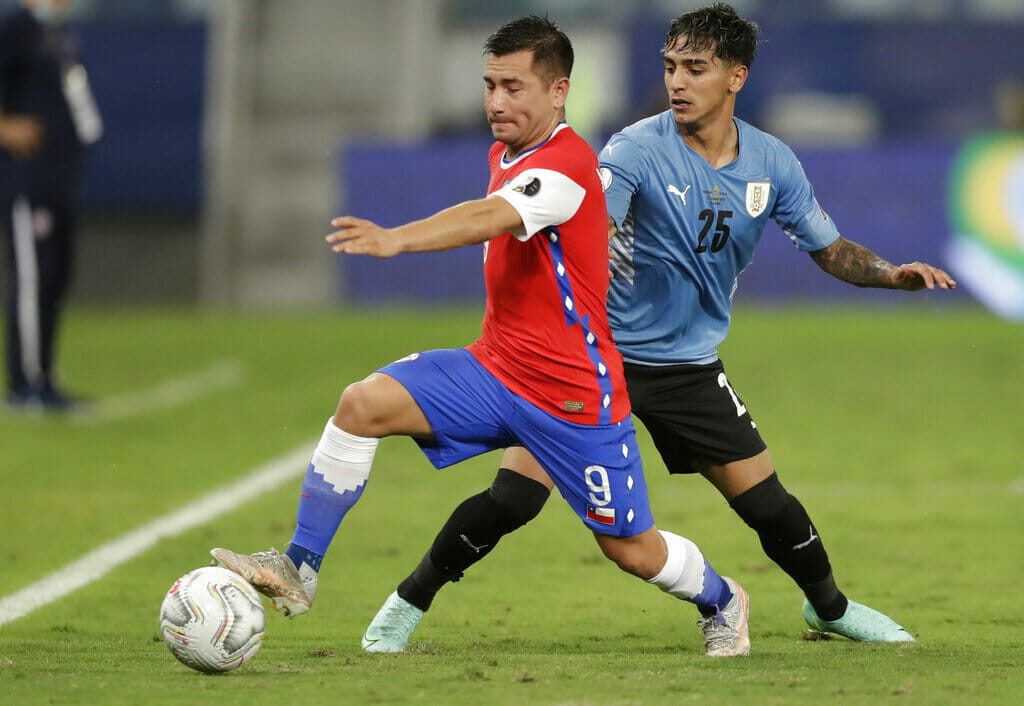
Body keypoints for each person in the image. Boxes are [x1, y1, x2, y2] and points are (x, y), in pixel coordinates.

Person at [358, 3, 958, 651]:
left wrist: (891, 275)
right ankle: (404, 607)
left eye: (696, 68)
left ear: (736, 77)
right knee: (512, 498)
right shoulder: (633, 151)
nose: (678, 81)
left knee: (766, 504)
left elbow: (829, 249)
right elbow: (588, 221)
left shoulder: (773, 164)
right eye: (671, 66)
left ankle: (830, 609)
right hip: (593, 359)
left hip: (687, 365)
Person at [211, 16, 751, 658]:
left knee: (631, 549)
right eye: (490, 84)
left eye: (514, 87)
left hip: (573, 396)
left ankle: (723, 600)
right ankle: (300, 567)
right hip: (495, 369)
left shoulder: (570, 163)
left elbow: (490, 216)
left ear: (559, 92)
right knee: (361, 405)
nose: (496, 101)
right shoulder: (506, 151)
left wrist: (396, 238)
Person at [0, 0, 100, 413]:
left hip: (58, 180)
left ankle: (44, 374)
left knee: (56, 275)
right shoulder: (17, 24)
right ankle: (25, 385)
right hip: (28, 179)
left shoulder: (59, 33)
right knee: (33, 279)